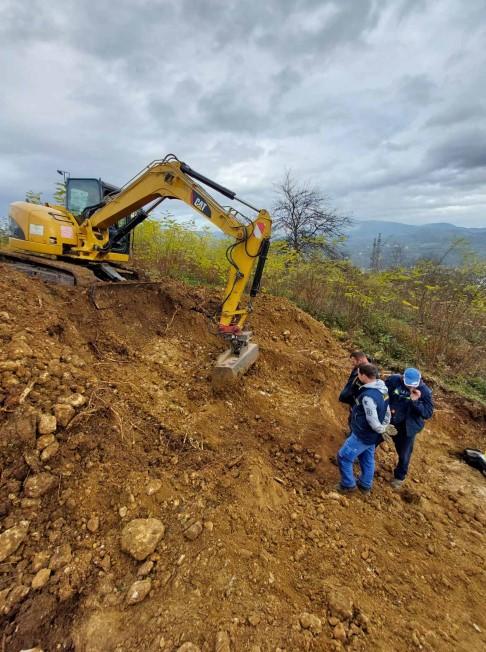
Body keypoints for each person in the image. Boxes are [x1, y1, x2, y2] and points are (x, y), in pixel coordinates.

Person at [336, 363, 396, 494]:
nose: (357, 375)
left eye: (358, 373)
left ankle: (348, 484)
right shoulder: (383, 388)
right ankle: (365, 485)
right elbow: (387, 410)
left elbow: (372, 419)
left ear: (363, 375)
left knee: (343, 456)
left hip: (363, 434)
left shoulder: (368, 396)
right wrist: (384, 426)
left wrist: (381, 428)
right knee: (367, 459)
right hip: (373, 436)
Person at [385, 368, 434, 489]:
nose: (410, 388)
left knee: (404, 453)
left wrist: (416, 402)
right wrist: (389, 408)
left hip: (408, 427)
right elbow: (384, 395)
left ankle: (399, 477)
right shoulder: (393, 380)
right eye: (408, 385)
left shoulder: (424, 391)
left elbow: (427, 413)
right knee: (373, 438)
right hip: (390, 421)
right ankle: (359, 457)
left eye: (413, 385)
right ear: (403, 378)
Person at [338, 351, 370, 425]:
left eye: (353, 362)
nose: (352, 364)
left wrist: (357, 404)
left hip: (359, 406)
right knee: (351, 421)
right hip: (353, 403)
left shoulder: (369, 373)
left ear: (360, 360)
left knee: (355, 423)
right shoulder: (358, 368)